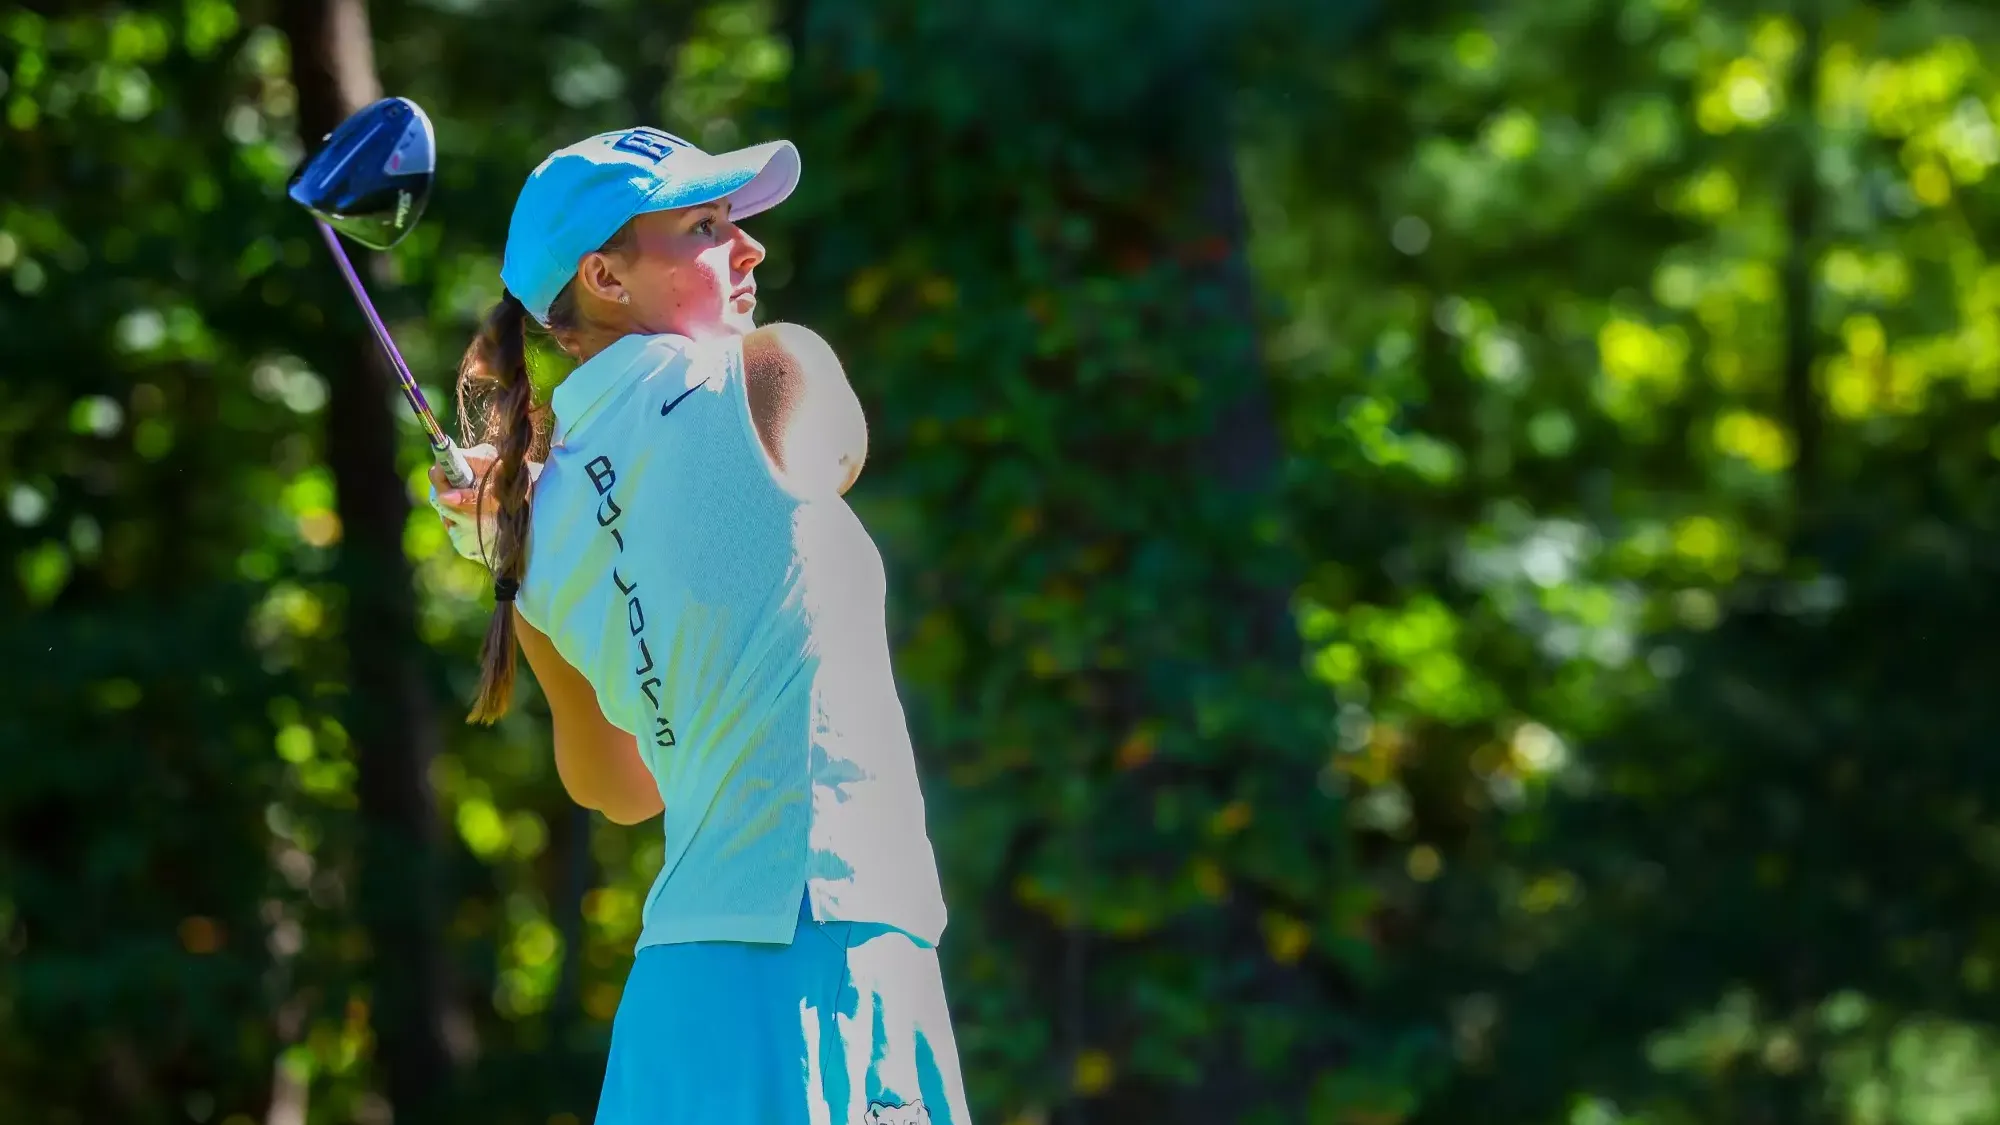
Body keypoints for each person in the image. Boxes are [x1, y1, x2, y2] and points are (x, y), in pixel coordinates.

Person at [426, 125, 968, 1125]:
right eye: (708, 227)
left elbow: (620, 786)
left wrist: (523, 530)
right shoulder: (777, 372)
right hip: (825, 946)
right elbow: (841, 449)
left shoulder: (527, 534)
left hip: (680, 992)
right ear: (604, 277)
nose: (750, 247)